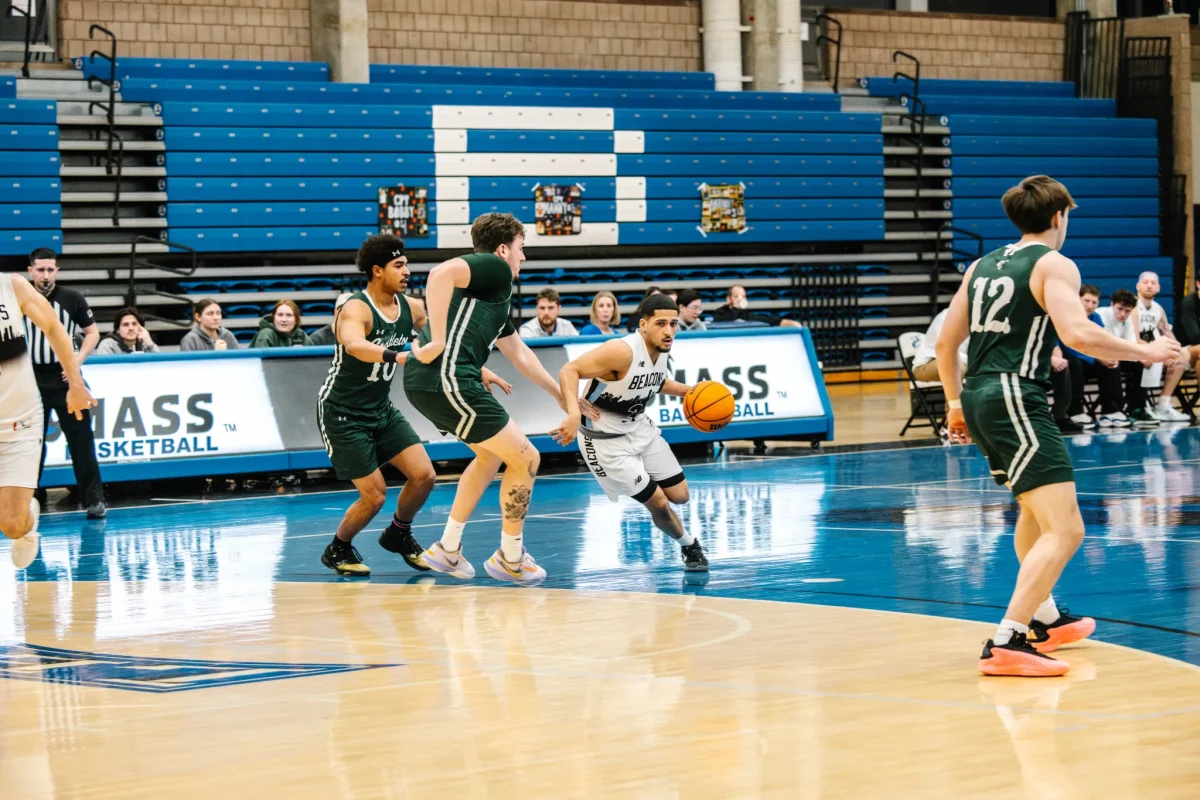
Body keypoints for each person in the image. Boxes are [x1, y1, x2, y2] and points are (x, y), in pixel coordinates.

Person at [937, 175, 1179, 677]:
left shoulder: (981, 266)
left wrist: (955, 401)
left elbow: (945, 343)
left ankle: (1043, 616)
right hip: (1012, 393)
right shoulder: (1054, 263)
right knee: (1067, 529)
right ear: (1058, 218)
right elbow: (1075, 333)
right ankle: (1007, 640)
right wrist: (1146, 351)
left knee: (1034, 511)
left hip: (982, 393)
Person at [404, 212, 595, 585]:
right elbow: (438, 274)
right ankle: (510, 557)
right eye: (522, 249)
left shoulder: (492, 292)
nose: (524, 258)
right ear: (503, 249)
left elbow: (520, 354)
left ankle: (448, 548)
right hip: (449, 376)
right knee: (526, 457)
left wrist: (560, 395)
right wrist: (440, 340)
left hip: (432, 379)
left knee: (492, 455)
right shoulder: (497, 269)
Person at [317, 235, 463, 576]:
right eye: (399, 266)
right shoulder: (354, 308)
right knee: (375, 495)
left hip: (380, 408)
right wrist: (397, 355)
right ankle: (338, 547)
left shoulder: (412, 308)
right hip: (342, 412)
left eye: (407, 264)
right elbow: (353, 345)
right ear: (377, 271)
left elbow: (438, 343)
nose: (407, 271)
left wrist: (474, 368)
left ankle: (399, 533)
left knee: (425, 475)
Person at [553, 293, 708, 571]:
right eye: (661, 323)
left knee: (681, 495)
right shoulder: (621, 351)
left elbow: (655, 381)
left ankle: (651, 495)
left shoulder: (661, 348)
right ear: (643, 325)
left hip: (640, 430)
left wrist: (690, 391)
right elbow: (569, 369)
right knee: (659, 502)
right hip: (604, 442)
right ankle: (689, 545)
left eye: (673, 324)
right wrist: (573, 413)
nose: (669, 330)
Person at [2, 269, 97, 567]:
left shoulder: (11, 285)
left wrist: (76, 384)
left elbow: (54, 328)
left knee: (13, 525)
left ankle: (27, 519)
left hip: (19, 420)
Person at [25, 248, 106, 518]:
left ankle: (94, 499)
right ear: (30, 271)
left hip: (67, 378)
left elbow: (92, 333)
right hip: (31, 379)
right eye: (40, 269)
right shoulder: (18, 298)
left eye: (50, 270)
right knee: (30, 442)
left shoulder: (72, 298)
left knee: (81, 438)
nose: (45, 275)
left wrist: (75, 362)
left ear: (57, 271)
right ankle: (30, 499)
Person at [1064, 284, 1127, 428]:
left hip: (1088, 360)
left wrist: (1106, 357)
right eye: (1086, 301)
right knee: (1075, 363)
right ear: (1077, 299)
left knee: (1112, 364)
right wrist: (1097, 358)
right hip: (1072, 360)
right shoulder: (1066, 316)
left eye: (1094, 302)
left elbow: (1101, 341)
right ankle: (1075, 411)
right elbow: (1068, 346)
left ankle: (1110, 411)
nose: (1090, 305)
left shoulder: (1095, 317)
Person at [1131, 271, 1189, 422]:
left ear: (1158, 288)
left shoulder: (1158, 309)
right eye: (1145, 282)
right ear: (1137, 286)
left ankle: (1163, 404)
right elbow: (1132, 337)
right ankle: (1140, 407)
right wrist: (1152, 352)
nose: (1149, 286)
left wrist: (1175, 352)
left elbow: (1167, 333)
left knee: (1180, 360)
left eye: (1153, 283)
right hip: (1136, 352)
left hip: (1154, 352)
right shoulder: (1132, 306)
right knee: (1146, 361)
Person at [1098, 289, 1156, 425]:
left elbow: (1131, 343)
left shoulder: (1128, 320)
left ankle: (1136, 408)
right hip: (1098, 357)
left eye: (1127, 311)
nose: (1123, 314)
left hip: (1117, 354)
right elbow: (1105, 345)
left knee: (1141, 364)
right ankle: (1110, 411)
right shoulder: (1100, 314)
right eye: (1120, 309)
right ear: (1112, 304)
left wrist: (1142, 357)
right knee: (1113, 363)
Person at [911, 308, 968, 382]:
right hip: (926, 365)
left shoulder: (976, 320)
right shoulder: (946, 317)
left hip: (959, 361)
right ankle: (955, 394)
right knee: (955, 366)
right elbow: (946, 351)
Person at [710, 285, 801, 328]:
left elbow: (768, 320)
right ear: (729, 299)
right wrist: (735, 308)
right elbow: (720, 322)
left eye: (743, 297)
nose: (740, 299)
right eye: (736, 296)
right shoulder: (719, 312)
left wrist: (788, 322)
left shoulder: (746, 315)